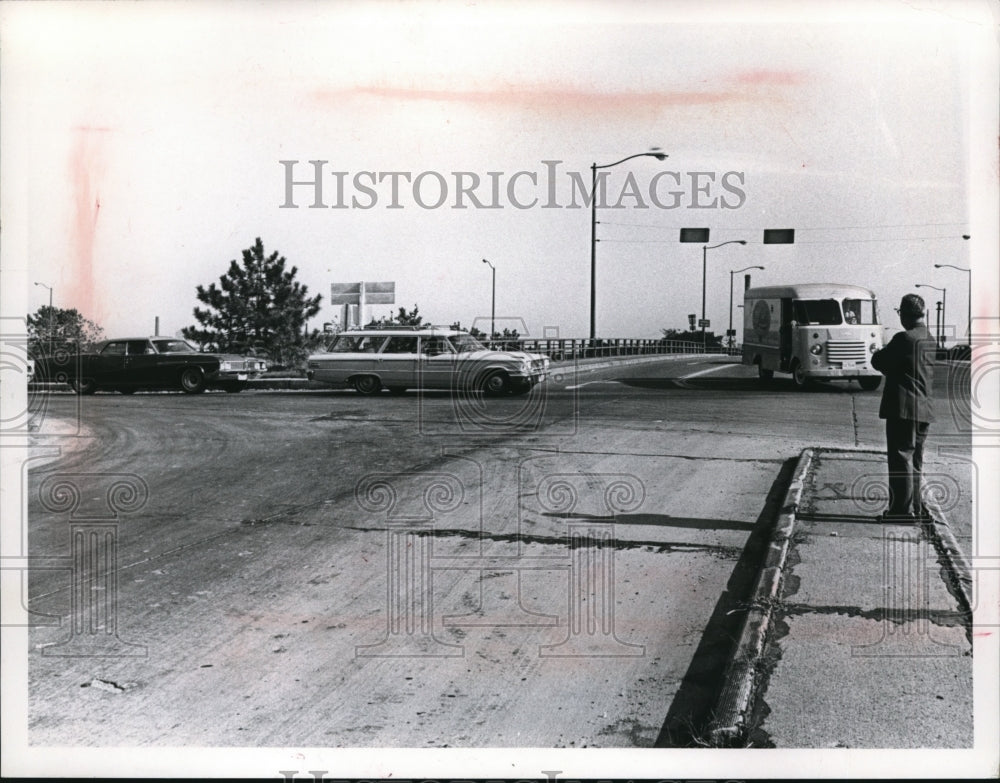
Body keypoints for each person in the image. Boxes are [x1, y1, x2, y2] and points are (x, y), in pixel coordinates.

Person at [870, 293, 936, 522]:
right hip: (924, 409)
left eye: (900, 313)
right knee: (915, 460)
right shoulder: (929, 338)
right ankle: (915, 509)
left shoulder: (903, 339)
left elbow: (878, 361)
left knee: (900, 458)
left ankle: (900, 512)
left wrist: (880, 352)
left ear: (905, 315)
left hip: (904, 408)